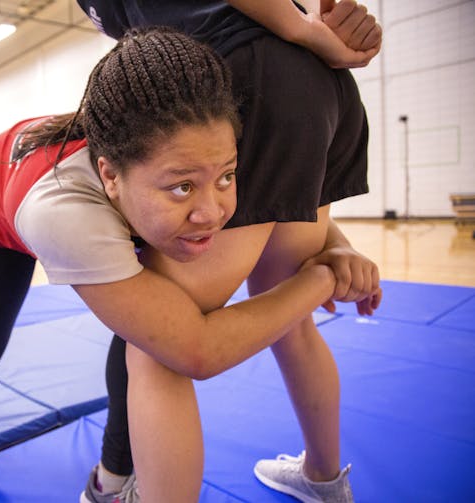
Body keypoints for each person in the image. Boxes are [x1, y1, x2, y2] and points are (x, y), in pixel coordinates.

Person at [0, 28, 378, 484]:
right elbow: (197, 349)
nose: (212, 213)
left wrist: (334, 244)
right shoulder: (64, 212)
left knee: (146, 332)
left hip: (107, 197)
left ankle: (112, 480)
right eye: (183, 187)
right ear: (111, 178)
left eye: (227, 178)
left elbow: (273, 205)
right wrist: (321, 279)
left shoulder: (195, 155)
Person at [74, 1, 382, 501]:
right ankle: (324, 481)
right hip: (321, 89)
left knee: (159, 346)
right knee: (286, 312)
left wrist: (302, 29)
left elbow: (190, 347)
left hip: (259, 75)